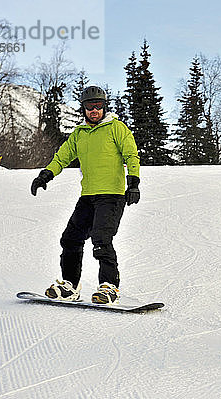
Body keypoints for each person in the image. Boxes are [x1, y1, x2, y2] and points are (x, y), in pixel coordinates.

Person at [31, 85, 140, 304]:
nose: (94, 111)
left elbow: (131, 154)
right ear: (84, 109)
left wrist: (134, 182)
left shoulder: (116, 128)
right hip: (88, 196)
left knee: (101, 239)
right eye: (90, 107)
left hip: (112, 196)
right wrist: (45, 175)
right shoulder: (79, 135)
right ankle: (70, 286)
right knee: (70, 239)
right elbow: (62, 157)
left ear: (104, 106)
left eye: (98, 106)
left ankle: (109, 287)